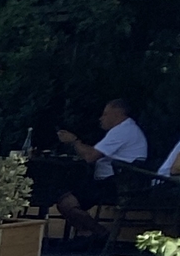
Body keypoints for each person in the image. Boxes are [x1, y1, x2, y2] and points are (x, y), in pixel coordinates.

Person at [54, 98, 149, 246]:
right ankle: (87, 236)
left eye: (105, 114)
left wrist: (74, 141)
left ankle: (99, 234)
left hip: (116, 184)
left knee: (66, 202)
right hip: (116, 181)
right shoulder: (126, 129)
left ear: (117, 114)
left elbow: (90, 156)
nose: (101, 118)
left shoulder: (122, 131)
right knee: (66, 198)